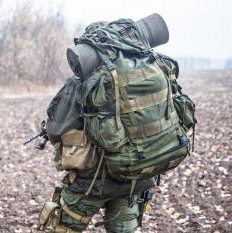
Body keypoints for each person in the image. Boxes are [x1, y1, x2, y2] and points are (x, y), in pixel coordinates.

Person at [36, 14, 195, 233]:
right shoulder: (155, 67)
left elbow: (55, 129)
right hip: (137, 179)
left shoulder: (83, 82)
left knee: (58, 228)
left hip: (91, 184)